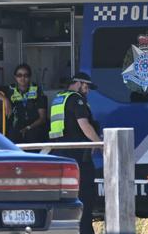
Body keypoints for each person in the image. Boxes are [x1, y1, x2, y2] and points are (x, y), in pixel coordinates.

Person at [49, 72, 100, 234]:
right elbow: (84, 125)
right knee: (85, 196)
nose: (88, 91)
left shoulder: (59, 98)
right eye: (87, 86)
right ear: (78, 83)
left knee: (68, 198)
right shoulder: (77, 99)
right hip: (78, 158)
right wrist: (101, 144)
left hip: (62, 156)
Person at [0, 63, 47, 144]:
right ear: (15, 77)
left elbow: (42, 118)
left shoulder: (37, 90)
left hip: (33, 128)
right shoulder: (10, 89)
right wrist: (5, 99)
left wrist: (28, 128)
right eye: (19, 75)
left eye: (26, 75)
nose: (22, 78)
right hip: (15, 129)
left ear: (30, 77)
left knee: (33, 136)